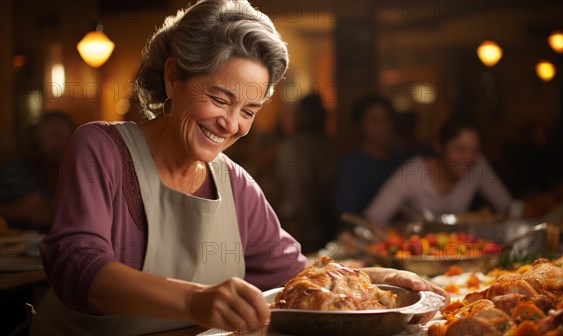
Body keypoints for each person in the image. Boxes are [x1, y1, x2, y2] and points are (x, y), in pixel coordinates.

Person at [30, 1, 447, 334]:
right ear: (173, 78)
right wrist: (195, 301)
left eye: (249, 110)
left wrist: (378, 278)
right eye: (220, 98)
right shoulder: (99, 148)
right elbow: (78, 268)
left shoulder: (235, 183)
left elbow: (296, 275)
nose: (231, 124)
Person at [364, 115, 512, 227]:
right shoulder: (412, 172)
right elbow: (373, 218)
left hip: (460, 252)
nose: (468, 157)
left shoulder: (477, 164)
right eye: (460, 149)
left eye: (474, 150)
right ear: (439, 147)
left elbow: (508, 207)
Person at [335, 94, 419, 216]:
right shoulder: (352, 165)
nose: (382, 126)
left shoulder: (400, 159)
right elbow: (346, 213)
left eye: (386, 119)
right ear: (359, 125)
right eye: (374, 120)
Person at [275, 93, 337, 253]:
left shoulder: (291, 145)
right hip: (324, 216)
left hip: (296, 217)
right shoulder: (328, 145)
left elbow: (291, 185)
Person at [0, 111, 75, 231]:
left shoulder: (76, 175)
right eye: (56, 136)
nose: (64, 144)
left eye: (69, 138)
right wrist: (12, 210)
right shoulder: (18, 170)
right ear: (38, 138)